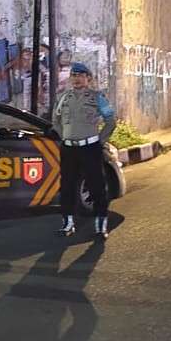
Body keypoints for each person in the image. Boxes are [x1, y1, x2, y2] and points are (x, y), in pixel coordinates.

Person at [52, 62, 117, 238]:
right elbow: (56, 121)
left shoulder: (97, 98)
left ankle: (101, 226)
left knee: (96, 187)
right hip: (69, 149)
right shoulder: (63, 98)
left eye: (81, 75)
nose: (77, 79)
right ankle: (68, 224)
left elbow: (110, 121)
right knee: (67, 187)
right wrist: (64, 137)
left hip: (90, 148)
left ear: (88, 78)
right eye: (74, 75)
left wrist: (99, 141)